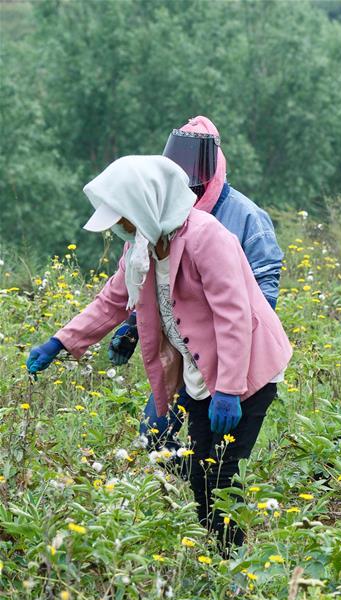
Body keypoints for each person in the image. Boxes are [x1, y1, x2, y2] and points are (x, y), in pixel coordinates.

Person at [26, 155, 292, 553]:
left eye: (123, 218)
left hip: (247, 370)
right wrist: (60, 342)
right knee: (202, 468)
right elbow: (110, 302)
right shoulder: (142, 248)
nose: (120, 227)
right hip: (201, 372)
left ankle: (233, 563)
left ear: (145, 205)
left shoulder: (207, 237)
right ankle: (220, 558)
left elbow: (234, 317)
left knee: (216, 473)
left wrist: (229, 389)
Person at [106, 116, 283, 456]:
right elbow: (150, 282)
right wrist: (131, 327)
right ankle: (189, 483)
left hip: (225, 356)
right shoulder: (159, 217)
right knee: (154, 436)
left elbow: (261, 291)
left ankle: (202, 488)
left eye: (195, 164)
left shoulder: (245, 216)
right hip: (184, 351)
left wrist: (230, 365)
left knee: (218, 459)